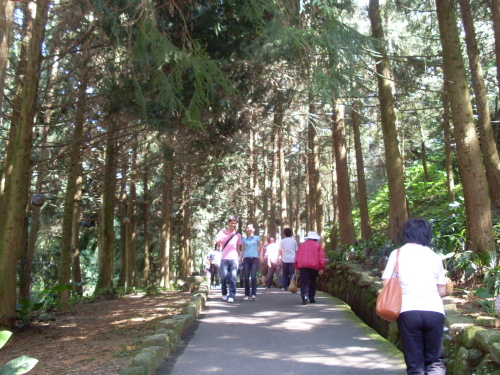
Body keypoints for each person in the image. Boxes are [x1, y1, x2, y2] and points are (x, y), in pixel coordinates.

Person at [381, 218, 446, 375]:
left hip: (408, 311)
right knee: (435, 361)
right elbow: (442, 291)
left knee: (415, 364)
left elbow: (386, 284)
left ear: (406, 234)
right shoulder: (435, 257)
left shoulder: (396, 254)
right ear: (427, 235)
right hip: (434, 311)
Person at [215, 215, 242, 303]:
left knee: (233, 277)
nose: (233, 225)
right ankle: (224, 293)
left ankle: (231, 295)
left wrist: (239, 258)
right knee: (223, 277)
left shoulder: (238, 235)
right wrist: (218, 247)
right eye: (231, 223)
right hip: (224, 258)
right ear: (228, 223)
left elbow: (238, 248)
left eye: (235, 223)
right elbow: (218, 245)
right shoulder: (222, 232)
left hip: (234, 259)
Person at [294, 231, 325, 305]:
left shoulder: (301, 245)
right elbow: (321, 257)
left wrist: (296, 265)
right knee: (312, 281)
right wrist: (321, 267)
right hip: (314, 265)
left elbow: (297, 256)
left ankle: (304, 297)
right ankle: (311, 298)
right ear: (315, 239)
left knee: (304, 281)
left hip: (303, 265)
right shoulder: (318, 246)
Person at [241, 223, 262, 300]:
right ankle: (247, 294)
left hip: (254, 258)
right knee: (246, 277)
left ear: (253, 229)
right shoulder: (244, 239)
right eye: (247, 228)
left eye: (250, 228)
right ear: (246, 230)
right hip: (246, 258)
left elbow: (261, 247)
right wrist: (240, 259)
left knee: (253, 276)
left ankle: (253, 294)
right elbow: (242, 251)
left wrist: (261, 255)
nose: (249, 229)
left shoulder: (257, 238)